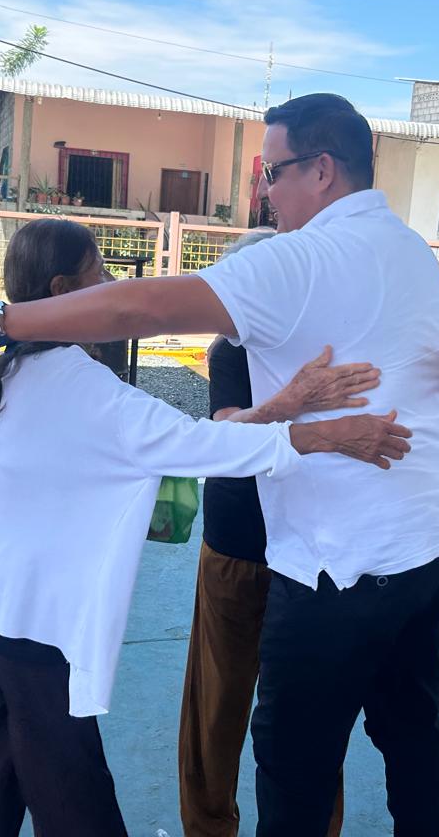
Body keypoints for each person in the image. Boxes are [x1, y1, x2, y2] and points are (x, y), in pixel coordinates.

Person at [0, 93, 439, 835]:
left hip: (344, 559)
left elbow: (139, 311)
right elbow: (423, 390)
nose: (264, 192)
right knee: (411, 727)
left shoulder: (300, 259)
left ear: (321, 170)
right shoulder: (413, 251)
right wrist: (311, 422)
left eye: (273, 172)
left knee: (292, 758)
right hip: (434, 540)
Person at [179, 228, 358, 837]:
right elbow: (226, 433)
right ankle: (209, 826)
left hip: (313, 549)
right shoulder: (232, 351)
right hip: (239, 544)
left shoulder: (328, 347)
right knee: (219, 702)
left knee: (311, 706)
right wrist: (292, 401)